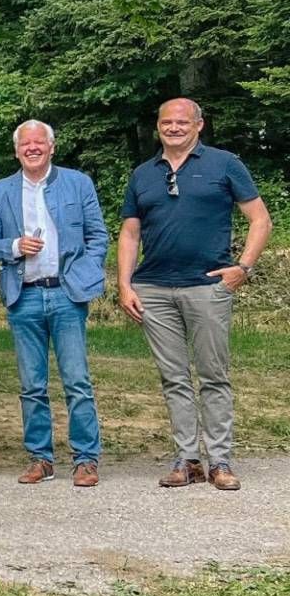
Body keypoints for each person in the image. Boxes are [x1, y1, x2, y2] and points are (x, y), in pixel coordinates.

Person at [118, 97, 273, 490]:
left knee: (213, 375)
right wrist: (125, 284)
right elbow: (130, 233)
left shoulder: (225, 164)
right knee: (174, 377)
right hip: (153, 289)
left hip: (207, 287)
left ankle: (219, 461)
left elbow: (260, 219)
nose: (174, 128)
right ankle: (187, 460)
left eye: (182, 122)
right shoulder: (143, 174)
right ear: (158, 126)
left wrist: (243, 268)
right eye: (166, 122)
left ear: (199, 125)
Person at [0, 120, 109, 487]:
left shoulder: (77, 183)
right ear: (16, 150)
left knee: (77, 380)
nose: (32, 148)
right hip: (24, 295)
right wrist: (14, 246)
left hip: (67, 293)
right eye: (25, 144)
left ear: (52, 147)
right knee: (31, 384)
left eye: (39, 142)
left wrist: (86, 271)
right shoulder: (2, 190)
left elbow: (98, 235)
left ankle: (86, 459)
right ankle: (40, 458)